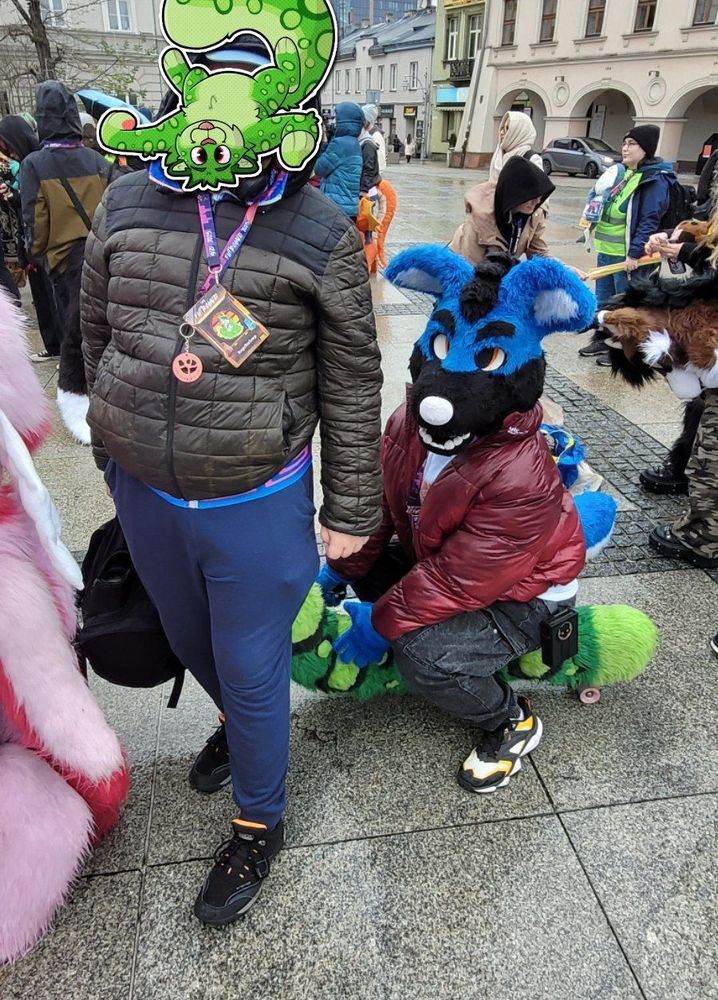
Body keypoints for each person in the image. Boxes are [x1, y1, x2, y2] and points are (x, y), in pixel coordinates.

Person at [81, 41, 383, 928]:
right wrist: (106, 434)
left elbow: (351, 379)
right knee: (190, 637)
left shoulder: (317, 227)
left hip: (255, 496)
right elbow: (94, 328)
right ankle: (244, 736)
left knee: (251, 667)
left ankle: (259, 820)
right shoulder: (127, 198)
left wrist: (350, 507)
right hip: (146, 489)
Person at [20, 83, 109, 441]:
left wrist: (36, 255)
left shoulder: (34, 164)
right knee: (102, 328)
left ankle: (80, 402)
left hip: (63, 261)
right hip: (101, 255)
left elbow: (35, 220)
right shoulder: (98, 161)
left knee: (72, 329)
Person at [579, 124, 677, 363]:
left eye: (632, 144)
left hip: (630, 257)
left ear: (646, 149)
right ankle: (603, 339)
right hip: (608, 251)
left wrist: (634, 254)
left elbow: (649, 220)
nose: (625, 148)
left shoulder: (654, 179)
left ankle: (622, 349)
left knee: (626, 304)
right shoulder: (626, 174)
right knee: (604, 301)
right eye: (624, 143)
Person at [0, 113, 64, 362]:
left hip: (44, 242)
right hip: (32, 241)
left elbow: (39, 203)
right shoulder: (27, 162)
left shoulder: (35, 163)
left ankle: (61, 347)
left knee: (53, 297)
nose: (6, 151)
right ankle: (53, 345)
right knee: (42, 297)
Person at [450, 156, 554, 266]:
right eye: (532, 197)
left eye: (539, 196)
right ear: (516, 193)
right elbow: (470, 267)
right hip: (460, 265)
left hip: (500, 267)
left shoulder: (535, 214)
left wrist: (560, 269)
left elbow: (539, 254)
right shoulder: (479, 220)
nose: (537, 201)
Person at [313, 101, 363, 218]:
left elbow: (319, 169)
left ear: (344, 121)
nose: (334, 122)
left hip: (336, 207)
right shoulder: (353, 142)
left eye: (337, 119)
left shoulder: (340, 144)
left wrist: (323, 143)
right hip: (348, 205)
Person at [488, 110, 543, 183]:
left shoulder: (532, 159)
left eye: (507, 128)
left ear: (519, 131)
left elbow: (537, 188)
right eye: (502, 128)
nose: (501, 132)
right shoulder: (499, 153)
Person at [361, 104, 387, 174]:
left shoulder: (376, 135)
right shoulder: (364, 133)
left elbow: (380, 160)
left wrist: (376, 175)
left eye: (363, 118)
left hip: (371, 176)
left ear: (368, 120)